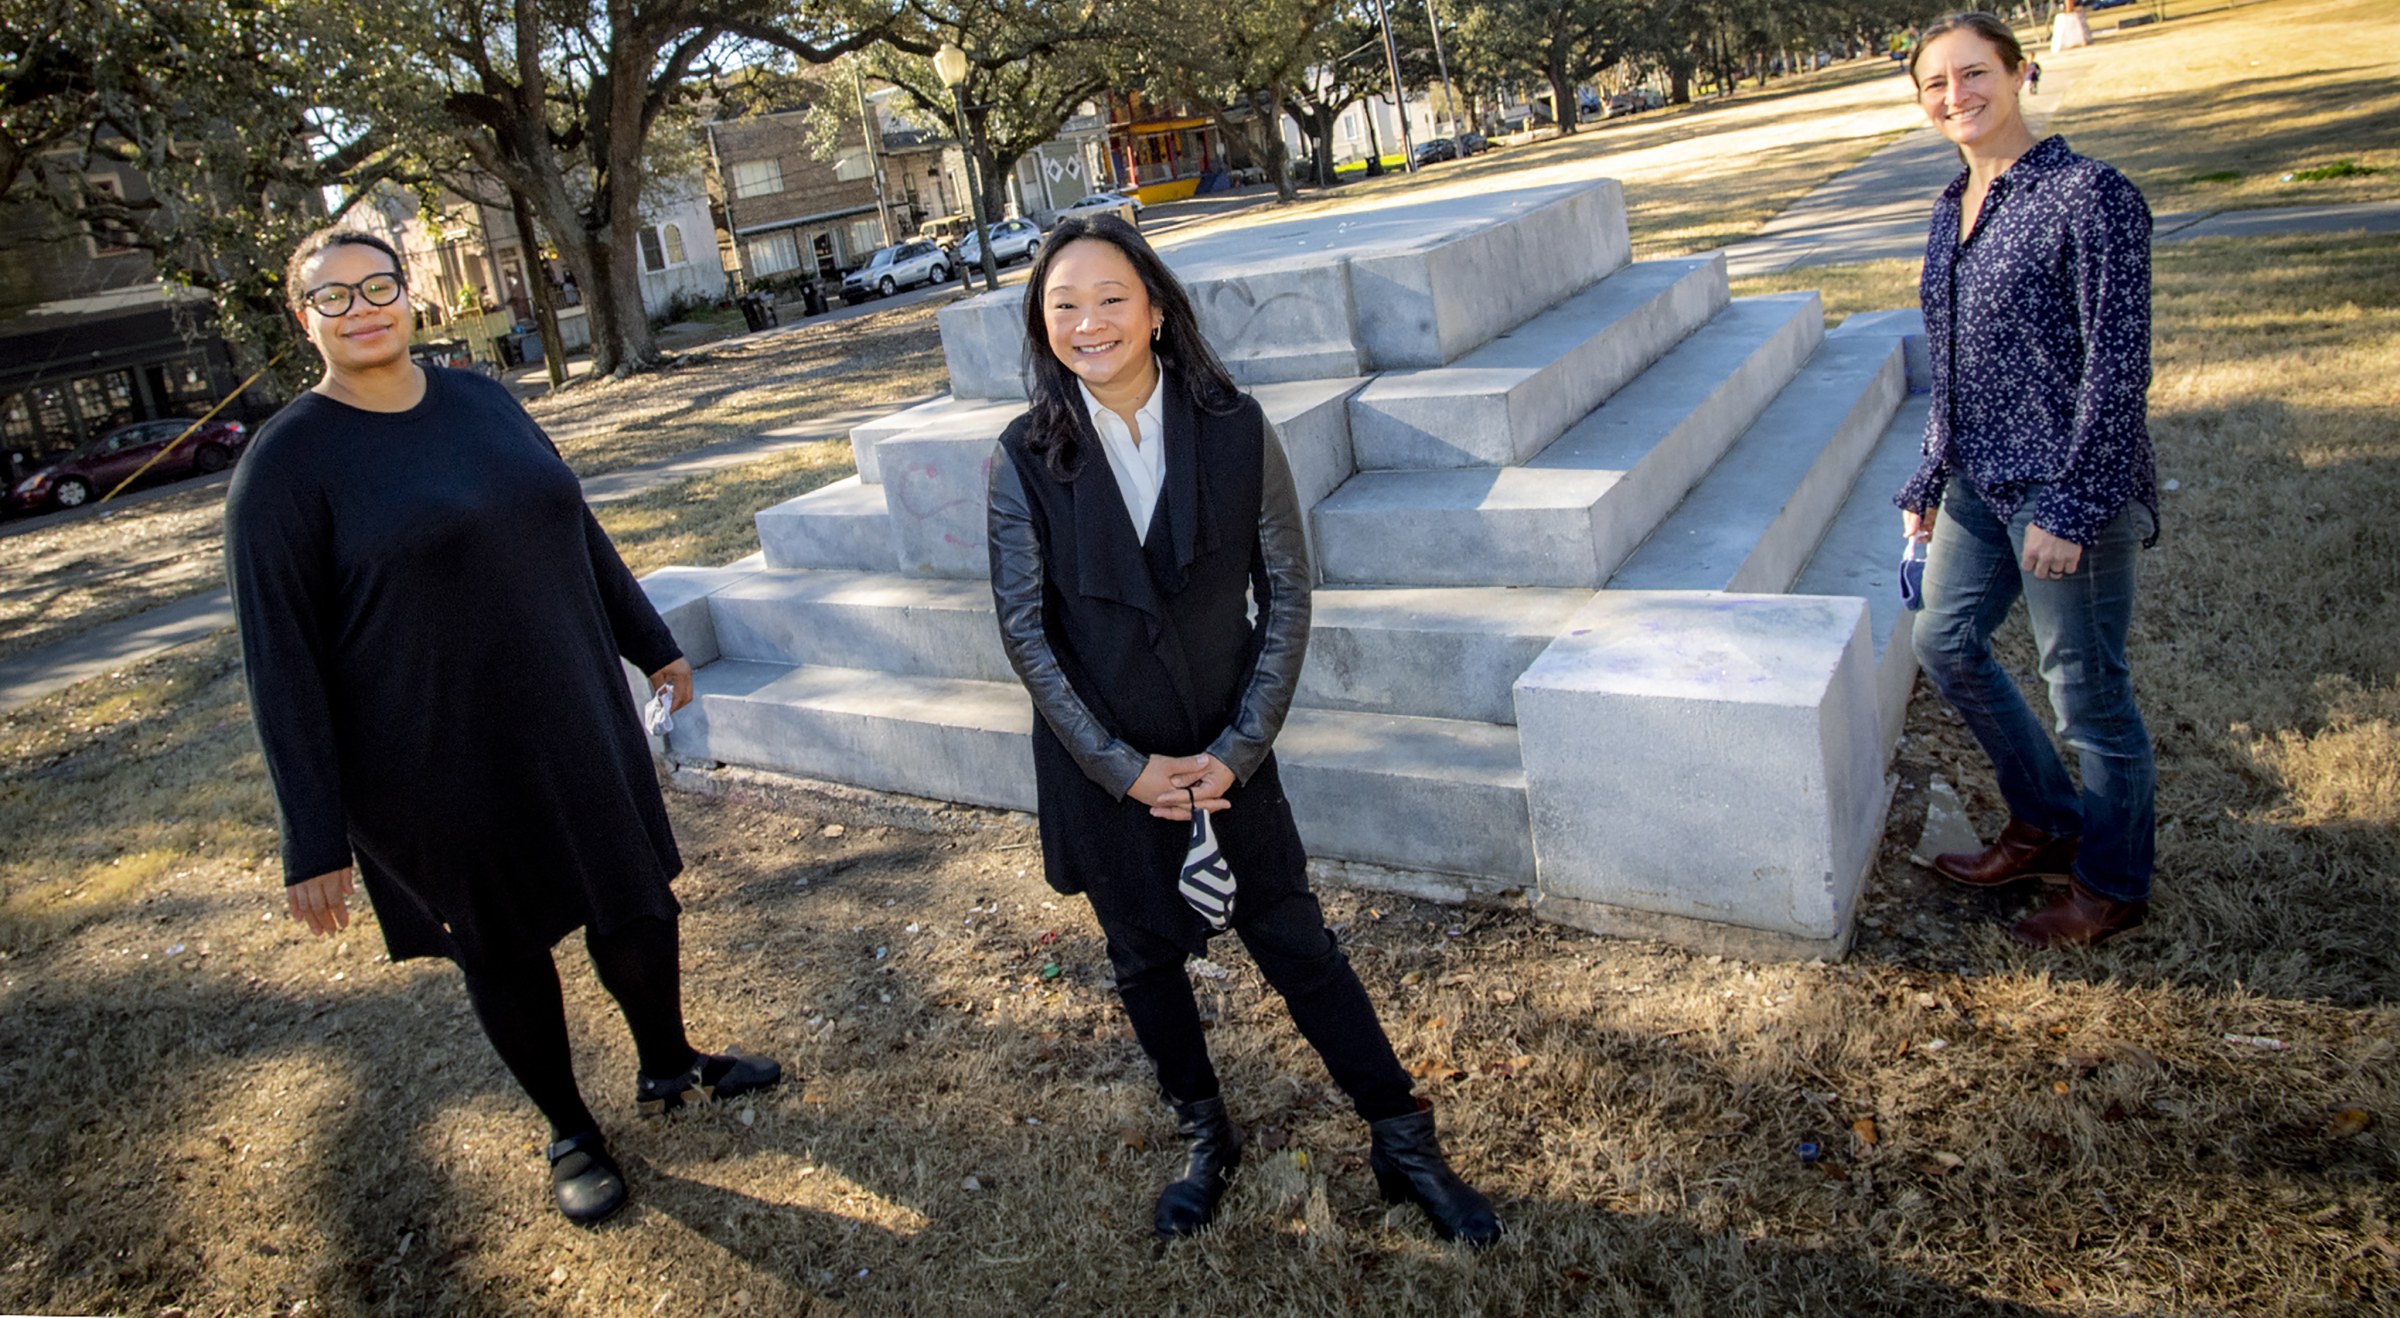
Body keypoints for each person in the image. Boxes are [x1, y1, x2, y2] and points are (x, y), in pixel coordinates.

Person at [226, 227, 780, 1226]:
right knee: (505, 943)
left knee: (638, 902)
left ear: (410, 294)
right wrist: (311, 836)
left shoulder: (482, 397)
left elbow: (574, 526)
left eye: (378, 286)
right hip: (430, 758)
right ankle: (571, 1128)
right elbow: (282, 660)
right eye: (333, 297)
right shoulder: (286, 465)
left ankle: (669, 1063)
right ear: (301, 319)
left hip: (572, 709)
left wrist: (650, 641)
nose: (362, 309)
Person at [985, 214, 1501, 1246]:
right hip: (1106, 771)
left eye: (1111, 298)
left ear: (1159, 307)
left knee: (1300, 943)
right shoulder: (1024, 457)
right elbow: (1026, 635)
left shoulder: (1232, 424)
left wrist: (1240, 746)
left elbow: (1289, 592)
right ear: (1043, 329)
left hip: (1231, 748)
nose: (1089, 323)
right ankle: (1207, 1136)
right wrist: (1126, 772)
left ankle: (1401, 1139)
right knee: (1143, 962)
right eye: (1063, 306)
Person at [1896, 13, 2159, 948]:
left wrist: (2079, 507)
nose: (1956, 95)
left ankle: (2111, 884)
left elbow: (2118, 369)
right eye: (1936, 84)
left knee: (2085, 691)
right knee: (1946, 641)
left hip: (2063, 485)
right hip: (1975, 481)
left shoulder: (2092, 197)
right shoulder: (1948, 204)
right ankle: (2046, 821)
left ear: (2019, 73)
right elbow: (1951, 362)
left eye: (1973, 74)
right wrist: (1927, 485)